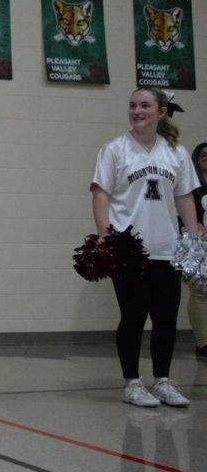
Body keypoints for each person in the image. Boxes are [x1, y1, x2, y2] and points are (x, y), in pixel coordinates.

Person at [91, 88, 202, 407]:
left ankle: (163, 380)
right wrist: (104, 234)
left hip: (167, 248)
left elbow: (184, 197)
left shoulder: (176, 152)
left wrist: (192, 236)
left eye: (144, 105)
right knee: (133, 316)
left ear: (162, 112)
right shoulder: (114, 149)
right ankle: (132, 383)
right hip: (128, 249)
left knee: (166, 317)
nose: (136, 111)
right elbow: (100, 194)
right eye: (132, 105)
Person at [186, 142, 207, 358]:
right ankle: (203, 341)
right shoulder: (192, 186)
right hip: (199, 245)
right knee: (201, 293)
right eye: (203, 154)